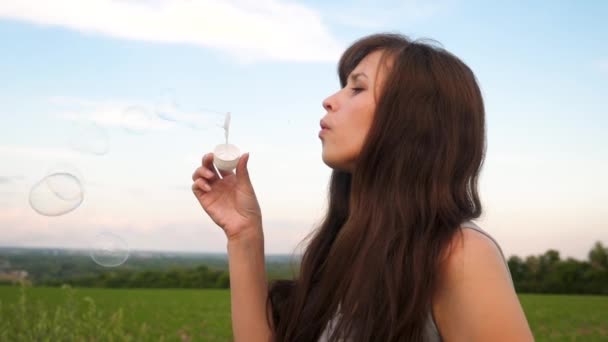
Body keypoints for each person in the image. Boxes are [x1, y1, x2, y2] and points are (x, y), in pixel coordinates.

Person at [191, 33, 534, 342]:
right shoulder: (345, 251)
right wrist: (244, 235)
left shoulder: (458, 254)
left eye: (357, 87)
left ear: (411, 118)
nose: (329, 100)